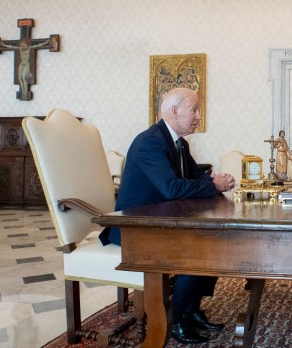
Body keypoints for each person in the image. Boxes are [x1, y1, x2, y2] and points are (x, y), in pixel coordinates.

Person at [99, 88, 235, 344]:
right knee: (197, 249)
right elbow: (171, 188)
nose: (198, 116)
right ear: (174, 111)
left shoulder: (179, 143)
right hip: (134, 228)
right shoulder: (150, 141)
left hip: (158, 223)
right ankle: (177, 318)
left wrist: (216, 180)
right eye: (194, 110)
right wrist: (212, 186)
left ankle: (191, 309)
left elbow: (195, 176)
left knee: (215, 241)